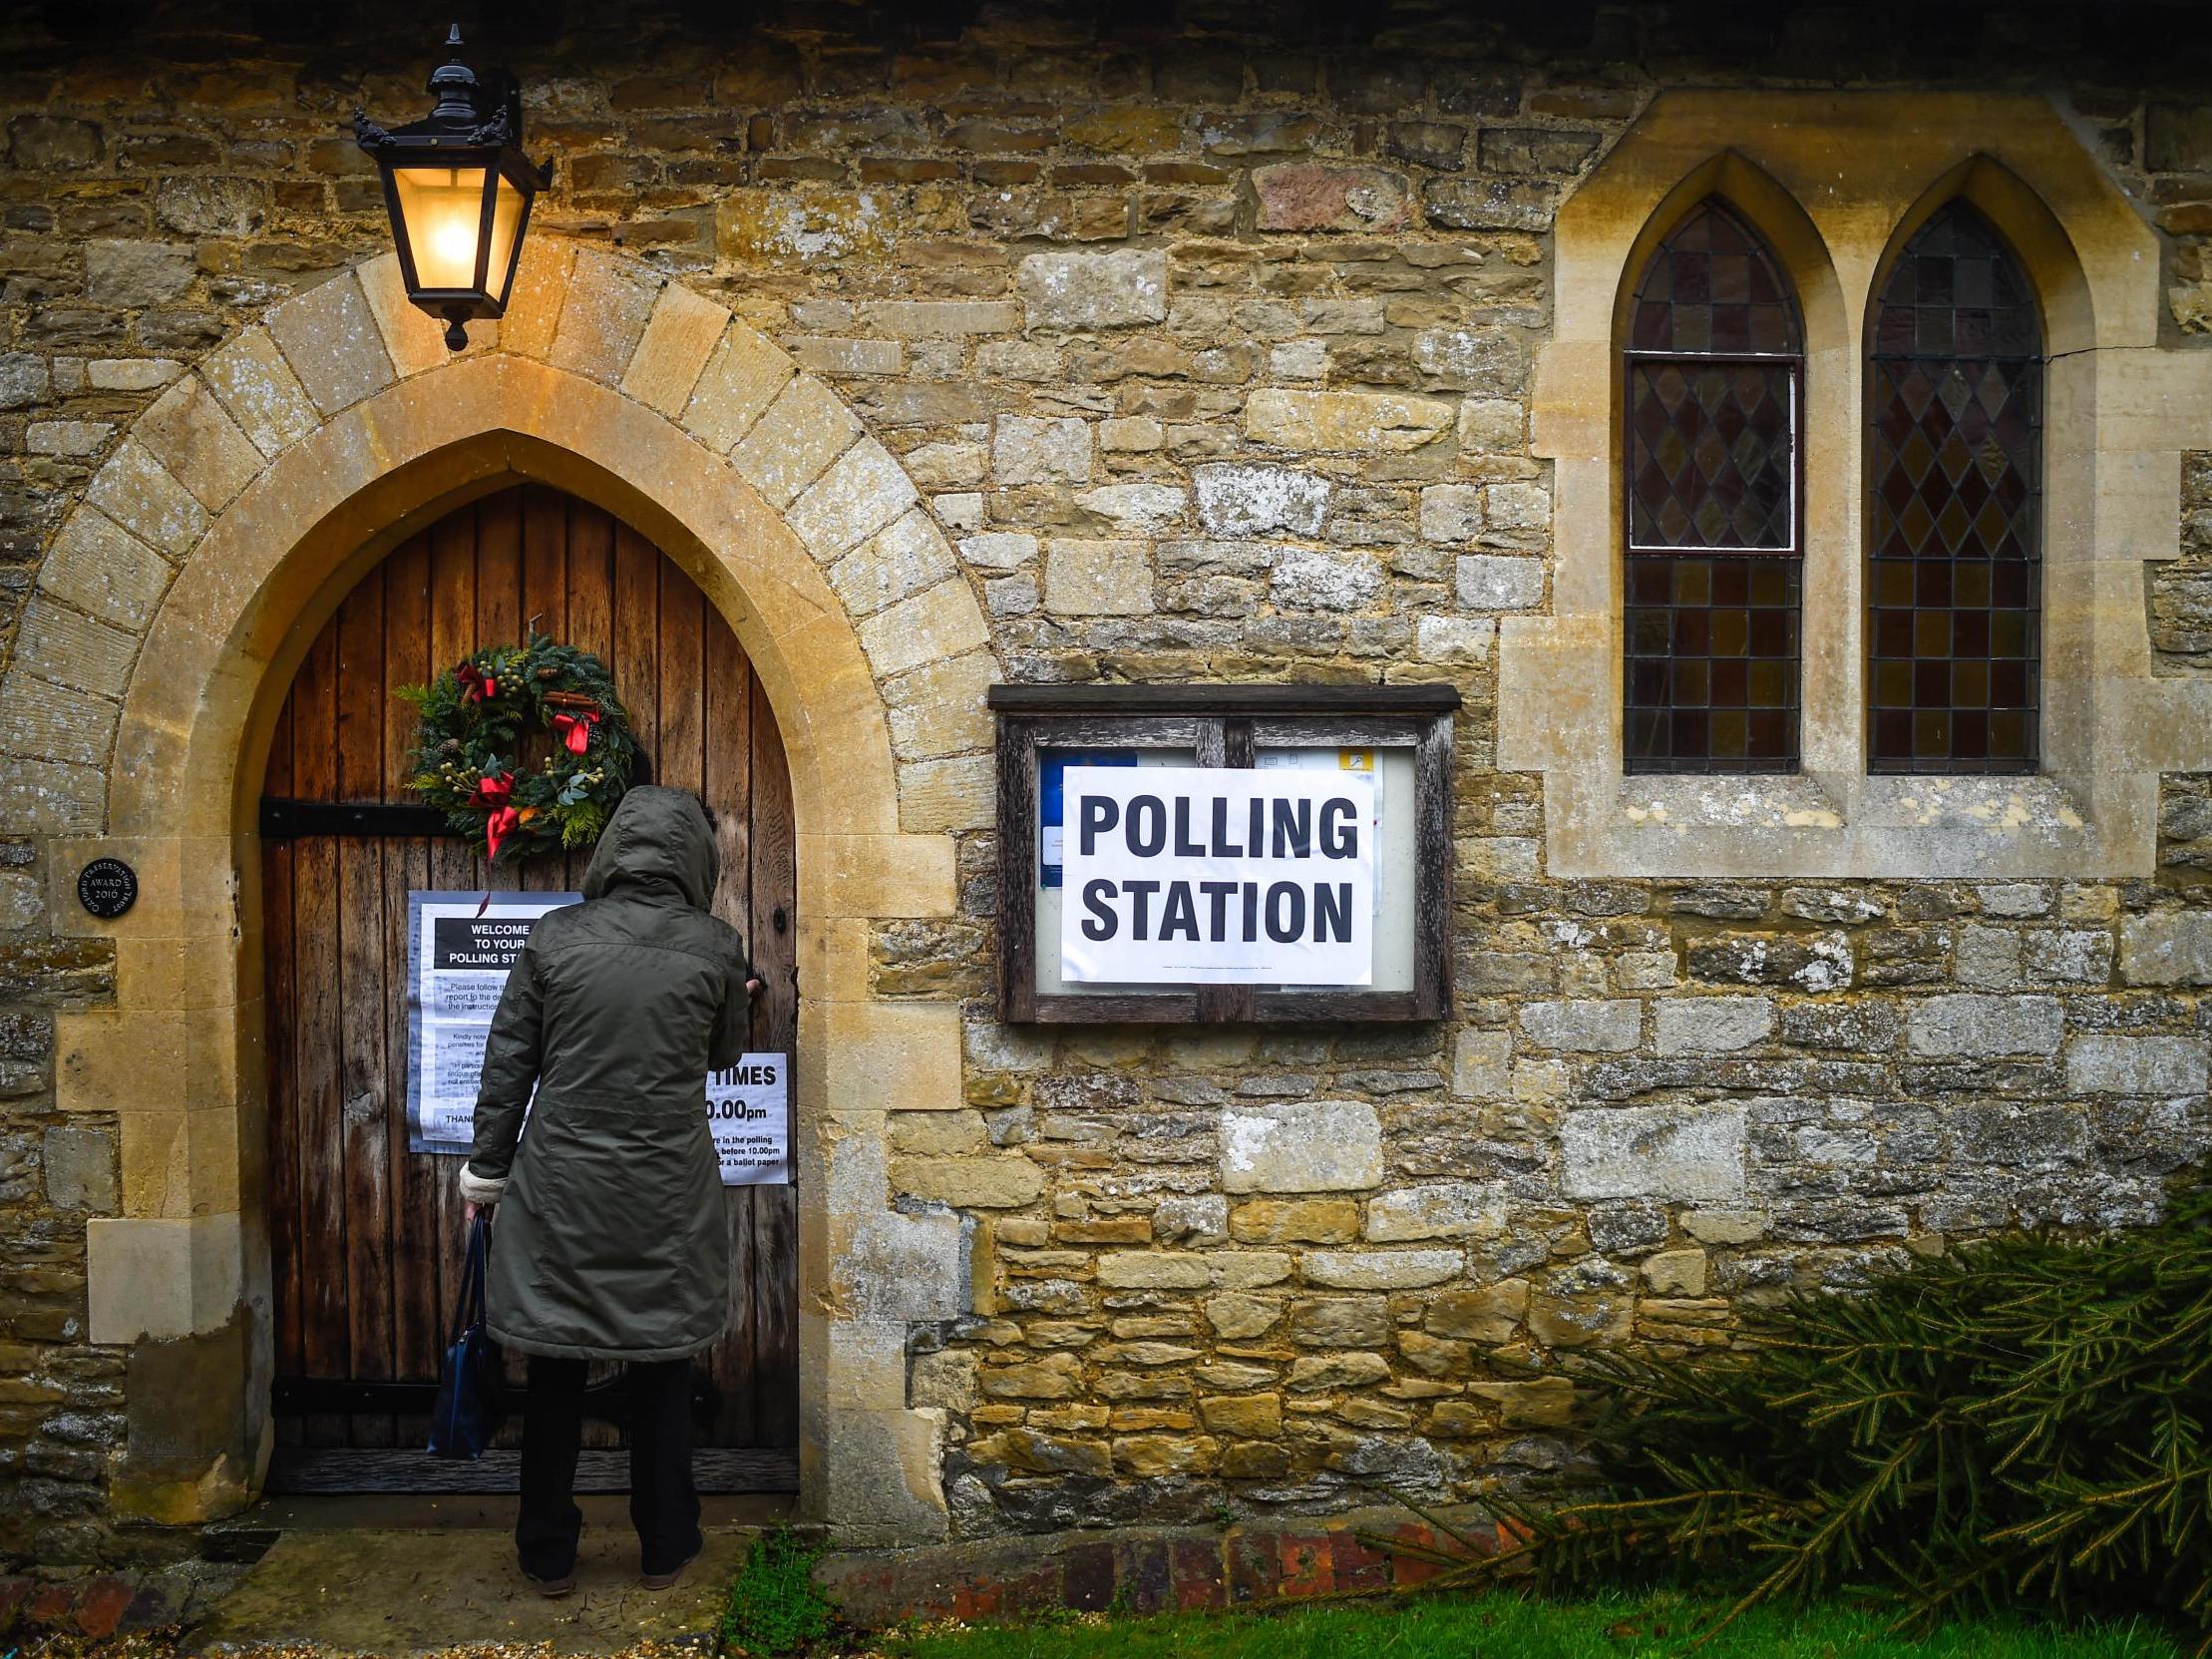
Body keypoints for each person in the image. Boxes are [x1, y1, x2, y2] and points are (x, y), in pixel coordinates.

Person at [458, 786, 758, 1596]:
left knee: (555, 1367)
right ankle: (666, 1544)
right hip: (666, 1189)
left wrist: (486, 1170)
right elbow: (723, 1056)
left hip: (561, 1185)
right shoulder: (717, 947)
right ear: (696, 857)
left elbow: (508, 1061)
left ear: (614, 849)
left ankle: (547, 1552)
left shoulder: (555, 938)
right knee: (661, 1364)